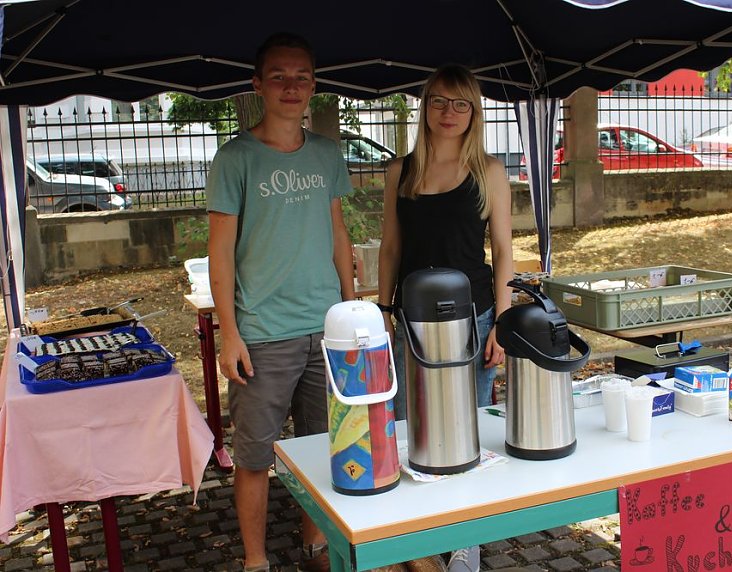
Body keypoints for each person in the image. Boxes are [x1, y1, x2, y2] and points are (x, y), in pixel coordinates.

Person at [207, 32, 355, 572]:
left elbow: (338, 234)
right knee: (254, 456)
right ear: (257, 85)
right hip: (264, 334)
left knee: (324, 448)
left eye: (301, 77)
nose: (291, 87)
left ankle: (316, 544)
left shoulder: (326, 154)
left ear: (314, 86)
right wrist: (230, 333)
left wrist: (351, 311)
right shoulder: (235, 158)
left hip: (327, 330)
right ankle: (254, 559)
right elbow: (219, 253)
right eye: (279, 77)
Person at [376, 64, 513, 572]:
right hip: (410, 323)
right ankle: (416, 547)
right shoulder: (401, 171)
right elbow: (391, 246)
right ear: (424, 106)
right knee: (411, 432)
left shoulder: (489, 172)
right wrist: (384, 309)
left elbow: (502, 250)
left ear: (474, 112)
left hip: (473, 321)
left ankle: (464, 551)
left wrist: (501, 320)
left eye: (460, 104)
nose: (448, 113)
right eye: (438, 101)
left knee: (465, 436)